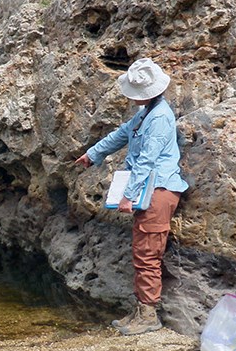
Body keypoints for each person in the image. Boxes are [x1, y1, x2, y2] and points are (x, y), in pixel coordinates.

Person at [74, 58, 188, 335]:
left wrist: (129, 196)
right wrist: (94, 154)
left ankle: (149, 315)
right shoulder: (147, 112)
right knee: (142, 251)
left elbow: (147, 161)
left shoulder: (159, 117)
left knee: (148, 253)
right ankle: (140, 309)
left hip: (157, 191)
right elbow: (121, 134)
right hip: (150, 190)